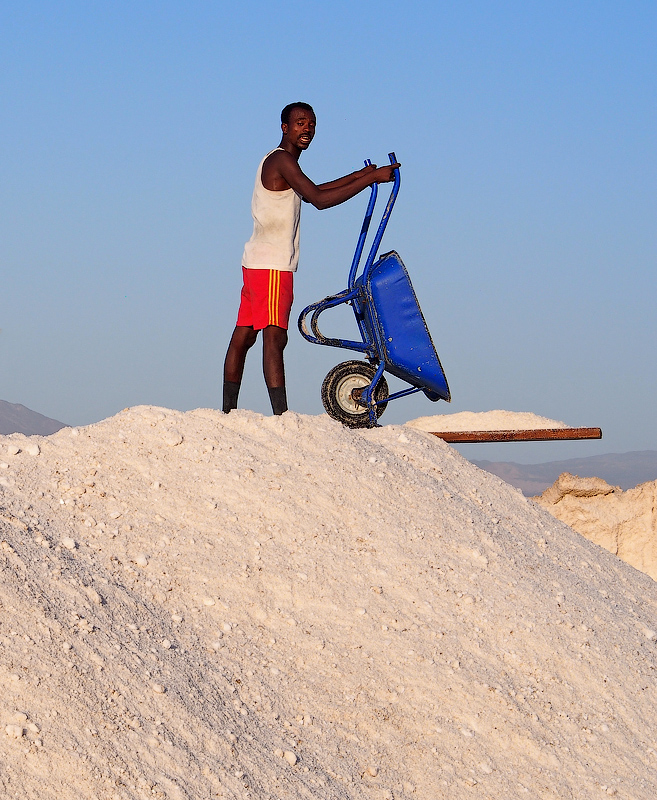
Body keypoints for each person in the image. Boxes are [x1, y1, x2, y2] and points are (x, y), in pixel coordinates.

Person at [222, 102, 399, 415]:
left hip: (255, 262)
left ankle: (228, 411)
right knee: (274, 339)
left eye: (311, 124)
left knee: (245, 335)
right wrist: (370, 180)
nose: (307, 129)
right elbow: (319, 200)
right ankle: (282, 416)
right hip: (273, 266)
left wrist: (358, 175)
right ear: (285, 128)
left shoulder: (280, 161)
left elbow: (313, 189)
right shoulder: (282, 159)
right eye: (301, 123)